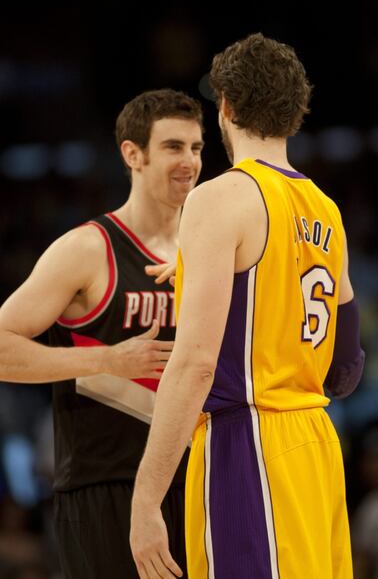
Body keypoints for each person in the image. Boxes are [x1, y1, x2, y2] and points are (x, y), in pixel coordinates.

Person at [130, 33, 365, 579]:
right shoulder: (325, 209)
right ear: (294, 112)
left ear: (226, 107)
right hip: (315, 447)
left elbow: (195, 365)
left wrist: (145, 501)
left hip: (248, 445)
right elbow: (347, 369)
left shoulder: (218, 198)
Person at [0, 88, 204, 578]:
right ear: (132, 154)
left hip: (200, 479)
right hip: (105, 484)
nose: (189, 162)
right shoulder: (87, 249)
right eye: (173, 147)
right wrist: (107, 359)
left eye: (197, 148)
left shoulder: (209, 248)